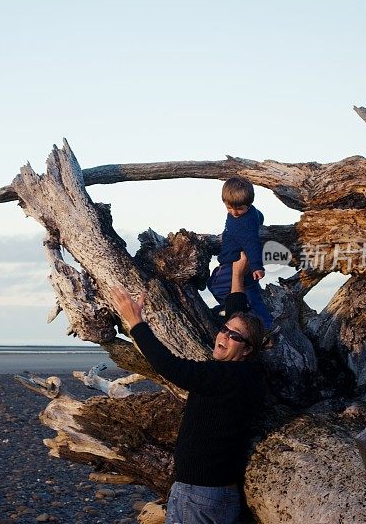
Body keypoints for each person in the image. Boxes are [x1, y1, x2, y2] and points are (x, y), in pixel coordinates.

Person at [110, 256, 265, 524]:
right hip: (214, 493)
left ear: (248, 350)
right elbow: (237, 319)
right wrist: (237, 275)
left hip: (200, 495)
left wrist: (136, 322)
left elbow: (170, 366)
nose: (223, 336)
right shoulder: (249, 371)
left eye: (233, 337)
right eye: (224, 330)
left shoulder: (225, 377)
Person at [207, 177, 273, 329]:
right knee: (252, 295)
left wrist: (257, 266)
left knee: (216, 285)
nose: (234, 212)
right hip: (238, 263)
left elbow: (252, 244)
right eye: (229, 208)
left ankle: (234, 308)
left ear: (248, 204)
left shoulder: (243, 224)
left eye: (240, 209)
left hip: (235, 263)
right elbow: (259, 216)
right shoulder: (252, 213)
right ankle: (264, 323)